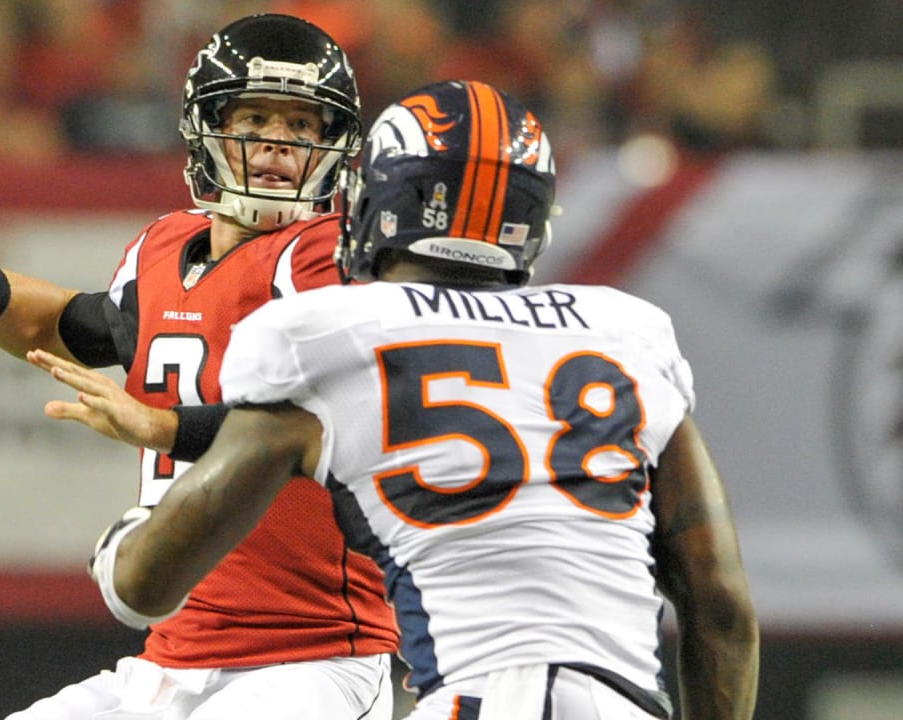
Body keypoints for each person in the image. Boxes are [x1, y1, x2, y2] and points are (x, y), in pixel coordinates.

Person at [83, 79, 760, 720]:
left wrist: (121, 546)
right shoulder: (624, 333)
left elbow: (148, 584)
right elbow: (721, 604)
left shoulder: (329, 336)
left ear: (378, 201)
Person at [0, 13, 399, 720]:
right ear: (207, 124)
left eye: (303, 126)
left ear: (333, 144)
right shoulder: (165, 245)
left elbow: (314, 425)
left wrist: (162, 425)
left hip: (310, 657)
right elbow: (75, 327)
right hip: (173, 657)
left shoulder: (325, 256)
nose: (277, 143)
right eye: (257, 116)